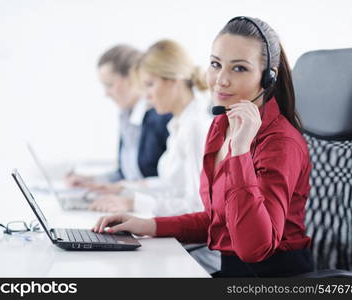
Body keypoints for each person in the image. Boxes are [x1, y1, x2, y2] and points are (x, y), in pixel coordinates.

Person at [92, 17, 315, 277]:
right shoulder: (221, 126)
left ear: (268, 78)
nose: (221, 79)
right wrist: (148, 225)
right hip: (232, 271)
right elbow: (218, 219)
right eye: (215, 64)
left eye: (239, 68)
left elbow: (254, 248)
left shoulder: (280, 143)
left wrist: (240, 152)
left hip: (272, 276)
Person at [88, 39, 213, 216]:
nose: (146, 95)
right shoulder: (178, 124)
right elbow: (172, 187)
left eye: (149, 85)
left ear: (173, 80)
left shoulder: (195, 127)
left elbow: (197, 206)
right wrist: (124, 190)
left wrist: (134, 203)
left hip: (188, 242)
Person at [65, 45, 171, 187]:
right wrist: (90, 180)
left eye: (109, 85)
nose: (106, 93)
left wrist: (124, 191)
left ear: (133, 78)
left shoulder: (162, 116)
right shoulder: (126, 116)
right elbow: (126, 174)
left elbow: (172, 183)